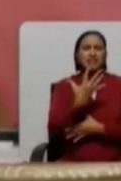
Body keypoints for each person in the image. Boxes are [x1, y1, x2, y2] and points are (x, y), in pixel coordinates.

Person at [46, 30, 121, 162]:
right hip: (73, 164)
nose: (92, 53)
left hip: (114, 165)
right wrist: (77, 105)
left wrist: (101, 129)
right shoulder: (65, 86)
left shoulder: (118, 85)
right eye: (86, 48)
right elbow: (54, 130)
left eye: (98, 48)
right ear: (77, 55)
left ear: (105, 54)